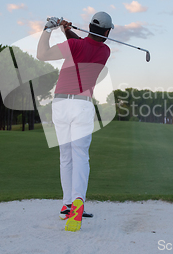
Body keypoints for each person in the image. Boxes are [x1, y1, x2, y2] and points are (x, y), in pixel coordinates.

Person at [36, 12, 113, 232]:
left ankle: (67, 206)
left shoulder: (73, 46)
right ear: (107, 33)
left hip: (60, 105)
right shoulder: (105, 51)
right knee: (80, 155)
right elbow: (85, 45)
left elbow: (42, 54)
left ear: (89, 26)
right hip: (82, 105)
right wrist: (67, 31)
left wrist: (49, 28)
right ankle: (77, 202)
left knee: (66, 156)